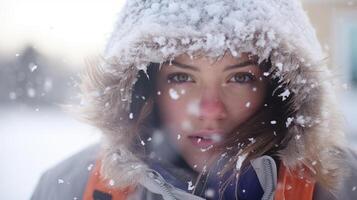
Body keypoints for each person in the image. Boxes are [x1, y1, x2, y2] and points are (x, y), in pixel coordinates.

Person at [31, 0, 357, 199]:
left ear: (278, 88)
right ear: (143, 88)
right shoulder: (70, 188)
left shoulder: (344, 186)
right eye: (182, 77)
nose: (210, 109)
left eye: (240, 77)